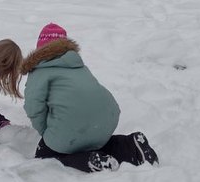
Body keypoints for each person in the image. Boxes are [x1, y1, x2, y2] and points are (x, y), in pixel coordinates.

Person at [21, 23, 159, 172]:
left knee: (45, 155)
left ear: (39, 49)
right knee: (95, 142)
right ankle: (130, 146)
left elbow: (33, 107)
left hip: (71, 127)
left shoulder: (39, 71)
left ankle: (90, 161)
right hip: (106, 121)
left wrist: (47, 134)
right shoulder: (77, 65)